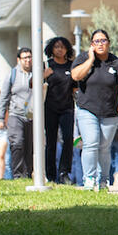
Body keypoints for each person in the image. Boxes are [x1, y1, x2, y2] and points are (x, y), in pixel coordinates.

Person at [71, 31, 118, 191]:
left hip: (110, 111)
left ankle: (103, 180)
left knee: (104, 147)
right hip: (87, 110)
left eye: (103, 40)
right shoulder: (83, 58)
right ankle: (89, 179)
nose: (100, 44)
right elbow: (76, 76)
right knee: (91, 143)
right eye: (96, 41)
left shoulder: (116, 63)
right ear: (91, 44)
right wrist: (90, 60)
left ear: (108, 43)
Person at [43, 36, 76, 184]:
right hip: (49, 108)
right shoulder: (47, 65)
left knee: (68, 139)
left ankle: (64, 173)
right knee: (51, 142)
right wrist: (43, 75)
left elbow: (76, 87)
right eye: (56, 47)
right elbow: (32, 84)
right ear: (51, 49)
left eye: (62, 47)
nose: (60, 49)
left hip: (67, 108)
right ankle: (50, 175)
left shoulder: (71, 65)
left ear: (67, 49)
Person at [0, 48, 34, 178]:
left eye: (30, 57)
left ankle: (28, 173)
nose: (28, 60)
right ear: (19, 60)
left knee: (30, 146)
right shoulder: (13, 74)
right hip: (15, 114)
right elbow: (4, 96)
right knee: (17, 143)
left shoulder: (38, 73)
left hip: (32, 116)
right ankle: (18, 174)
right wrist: (0, 117)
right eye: (25, 58)